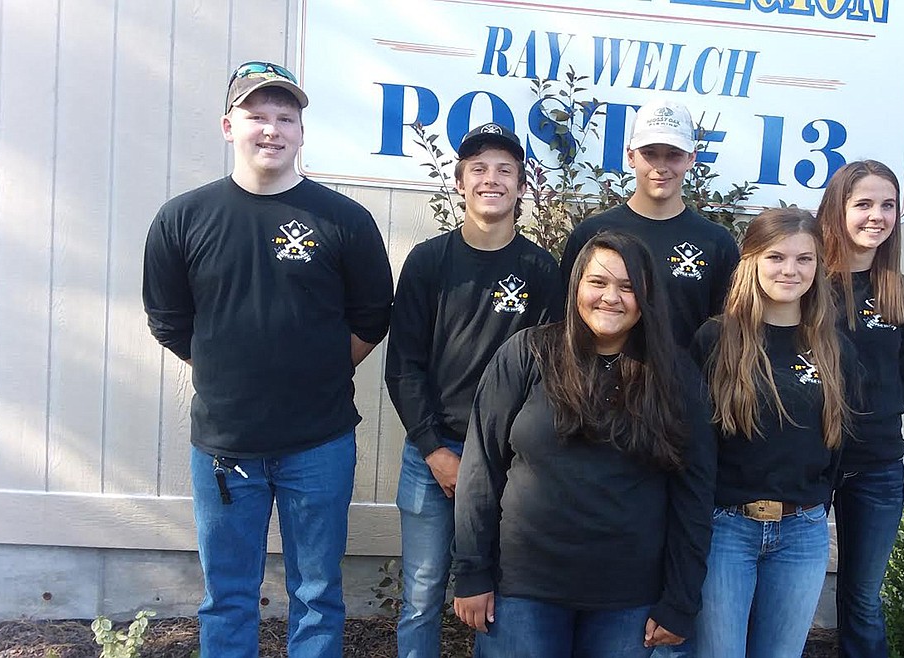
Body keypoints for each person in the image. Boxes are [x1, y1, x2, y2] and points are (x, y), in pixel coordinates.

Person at [142, 61, 394, 657]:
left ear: (302, 132)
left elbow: (371, 317)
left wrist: (319, 368)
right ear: (229, 126)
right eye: (257, 116)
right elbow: (169, 320)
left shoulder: (344, 221)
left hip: (320, 443)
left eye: (286, 117)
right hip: (225, 447)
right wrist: (230, 365)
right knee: (227, 595)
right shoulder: (183, 219)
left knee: (317, 593)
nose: (272, 130)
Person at [452, 232, 717, 658]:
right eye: (598, 282)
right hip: (524, 588)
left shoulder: (675, 377)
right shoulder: (527, 354)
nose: (611, 297)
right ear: (576, 286)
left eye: (628, 287)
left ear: (647, 297)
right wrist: (471, 572)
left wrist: (681, 600)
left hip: (628, 598)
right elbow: (481, 468)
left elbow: (694, 494)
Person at [384, 123, 562, 658]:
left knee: (500, 593)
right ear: (459, 183)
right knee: (421, 595)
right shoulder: (428, 262)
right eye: (479, 169)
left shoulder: (541, 270)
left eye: (505, 170)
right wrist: (434, 450)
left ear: (522, 186)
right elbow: (404, 366)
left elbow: (550, 373)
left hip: (511, 462)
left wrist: (510, 454)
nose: (492, 180)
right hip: (433, 454)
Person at [687, 208, 856, 658]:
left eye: (805, 259)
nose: (790, 270)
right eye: (776, 257)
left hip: (803, 532)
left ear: (819, 267)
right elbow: (694, 446)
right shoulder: (715, 340)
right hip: (726, 529)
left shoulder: (834, 347)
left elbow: (838, 447)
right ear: (752, 262)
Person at [816, 160, 904, 658]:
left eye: (887, 205)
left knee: (861, 600)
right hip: (804, 464)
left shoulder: (903, 296)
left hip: (876, 468)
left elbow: (899, 382)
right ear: (837, 210)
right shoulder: (805, 285)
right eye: (863, 204)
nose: (876, 216)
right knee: (781, 594)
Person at [560, 99, 738, 348]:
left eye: (674, 155)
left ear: (691, 158)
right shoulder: (592, 234)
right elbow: (566, 321)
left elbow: (726, 332)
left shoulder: (717, 243)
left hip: (687, 384)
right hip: (599, 384)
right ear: (631, 156)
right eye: (650, 154)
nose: (661, 167)